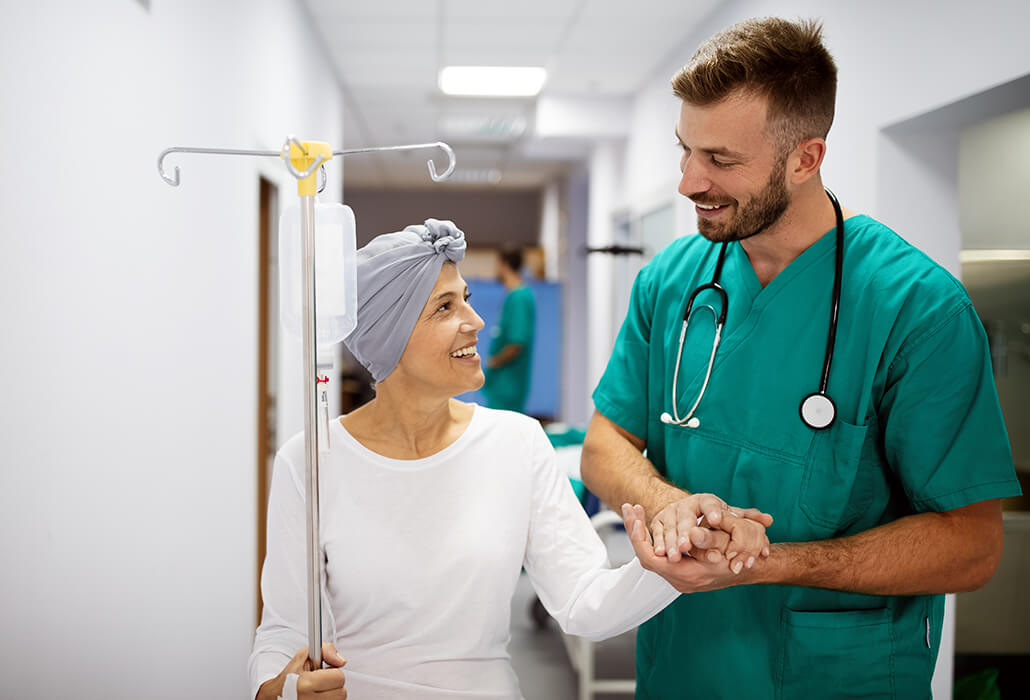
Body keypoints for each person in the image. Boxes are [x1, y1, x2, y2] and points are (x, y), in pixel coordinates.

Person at [580, 17, 1022, 699]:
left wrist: (768, 561)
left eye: (720, 160)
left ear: (806, 158)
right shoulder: (672, 281)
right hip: (681, 667)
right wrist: (669, 505)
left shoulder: (918, 308)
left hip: (838, 677)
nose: (689, 181)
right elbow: (604, 446)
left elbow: (971, 545)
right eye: (686, 151)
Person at [247, 219, 771, 700]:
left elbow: (583, 602)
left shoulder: (517, 443)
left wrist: (676, 560)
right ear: (391, 336)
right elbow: (282, 632)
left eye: (467, 298)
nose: (476, 320)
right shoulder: (312, 461)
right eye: (445, 307)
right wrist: (280, 690)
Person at [482, 248, 535, 413]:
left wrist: (494, 362)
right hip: (502, 383)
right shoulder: (513, 296)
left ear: (503, 265)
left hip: (508, 383)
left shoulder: (519, 297)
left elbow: (516, 342)